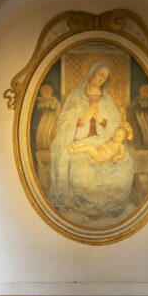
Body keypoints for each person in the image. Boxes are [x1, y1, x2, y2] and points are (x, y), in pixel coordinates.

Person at [48, 61, 129, 214]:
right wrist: (82, 119)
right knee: (81, 165)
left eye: (104, 77)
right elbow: (63, 124)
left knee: (125, 162)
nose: (100, 79)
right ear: (92, 72)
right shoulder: (75, 96)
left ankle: (109, 206)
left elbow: (116, 126)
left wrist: (101, 121)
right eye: (99, 74)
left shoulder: (107, 99)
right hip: (80, 140)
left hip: (104, 142)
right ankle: (88, 207)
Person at [68, 122, 133, 164]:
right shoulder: (110, 141)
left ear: (123, 139)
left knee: (88, 148)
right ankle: (76, 146)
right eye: (115, 134)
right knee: (88, 144)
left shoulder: (120, 146)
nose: (116, 136)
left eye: (119, 136)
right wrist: (103, 145)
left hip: (100, 157)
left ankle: (74, 151)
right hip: (98, 152)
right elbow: (102, 145)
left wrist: (116, 157)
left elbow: (122, 155)